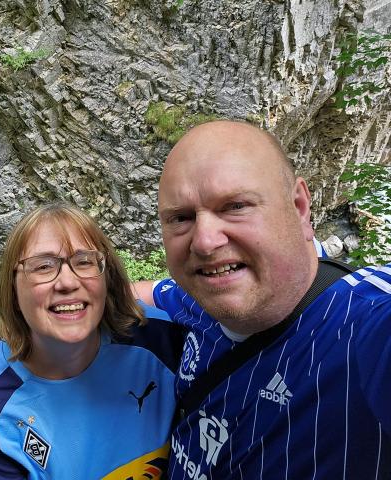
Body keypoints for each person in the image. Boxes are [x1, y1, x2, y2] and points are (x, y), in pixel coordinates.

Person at [135, 120, 391, 479]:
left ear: (300, 207)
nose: (205, 241)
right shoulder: (201, 297)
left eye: (235, 206)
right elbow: (145, 293)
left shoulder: (365, 322)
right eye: (181, 218)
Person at [0, 203, 184, 479]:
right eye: (42, 266)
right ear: (13, 289)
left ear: (106, 279)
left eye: (84, 262)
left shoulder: (162, 338)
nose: (67, 282)